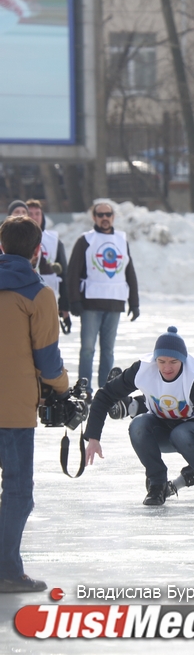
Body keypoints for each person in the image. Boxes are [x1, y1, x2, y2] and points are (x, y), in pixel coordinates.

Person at [83, 327, 194, 506]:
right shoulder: (143, 369)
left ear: (183, 360)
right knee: (138, 425)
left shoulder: (193, 377)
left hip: (193, 432)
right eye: (161, 361)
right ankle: (157, 485)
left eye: (173, 362)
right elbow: (104, 395)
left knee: (181, 434)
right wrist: (94, 437)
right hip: (160, 428)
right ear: (155, 359)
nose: (167, 368)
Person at [0, 215, 69, 592]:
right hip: (12, 409)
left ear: (1, 247)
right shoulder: (38, 295)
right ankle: (7, 571)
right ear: (37, 251)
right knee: (17, 492)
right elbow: (48, 360)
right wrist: (63, 385)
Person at [67, 199, 140, 394]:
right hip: (90, 304)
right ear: (94, 217)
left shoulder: (121, 240)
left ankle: (106, 391)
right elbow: (73, 272)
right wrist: (73, 300)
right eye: (101, 215)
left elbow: (129, 272)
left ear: (113, 217)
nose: (105, 218)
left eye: (108, 214)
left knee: (108, 351)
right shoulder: (85, 240)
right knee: (88, 349)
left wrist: (134, 303)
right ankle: (84, 389)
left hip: (115, 303)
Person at [8, 199, 70, 332]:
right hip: (12, 298)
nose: (34, 217)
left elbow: (63, 273)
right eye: (30, 214)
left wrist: (65, 304)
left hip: (44, 296)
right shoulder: (6, 239)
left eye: (37, 214)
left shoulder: (52, 240)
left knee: (44, 335)